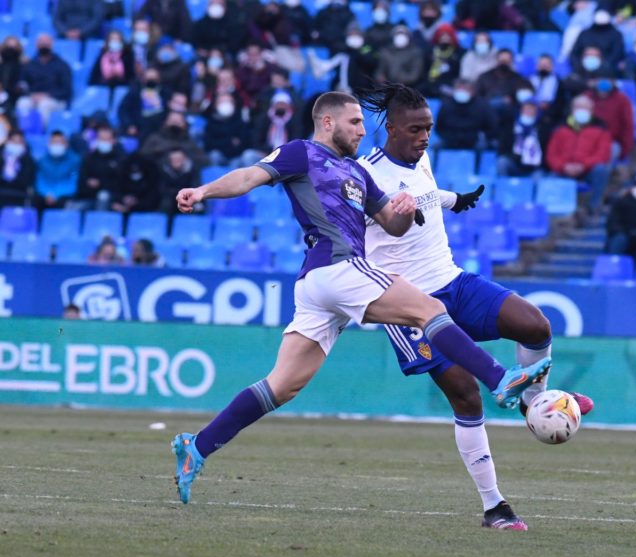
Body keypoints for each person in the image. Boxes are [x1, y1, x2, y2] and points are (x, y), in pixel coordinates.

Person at [171, 91, 552, 511]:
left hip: (320, 288)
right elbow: (248, 176)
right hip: (336, 267)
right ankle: (501, 380)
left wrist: (405, 210)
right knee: (430, 310)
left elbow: (393, 223)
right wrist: (203, 191)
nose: (360, 130)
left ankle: (198, 446)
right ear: (328, 122)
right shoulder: (302, 153)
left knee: (283, 386)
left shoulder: (357, 173)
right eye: (354, 122)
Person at [356, 83, 594, 530]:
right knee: (466, 395)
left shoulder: (420, 158)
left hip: (453, 281)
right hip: (408, 304)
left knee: (535, 325)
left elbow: (424, 192)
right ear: (390, 128)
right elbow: (361, 225)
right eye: (415, 129)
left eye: (428, 128)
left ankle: (533, 400)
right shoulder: (366, 176)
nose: (425, 136)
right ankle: (494, 507)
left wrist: (454, 199)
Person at [545, 95, 612, 212]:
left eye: (585, 108)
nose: (581, 111)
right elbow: (551, 155)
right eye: (578, 108)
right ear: (572, 110)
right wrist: (563, 166)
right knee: (549, 178)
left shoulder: (600, 128)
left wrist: (583, 165)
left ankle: (594, 207)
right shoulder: (561, 128)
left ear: (591, 111)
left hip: (587, 170)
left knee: (601, 170)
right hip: (564, 170)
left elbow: (603, 154)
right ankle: (554, 211)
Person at [35, 130, 81, 209]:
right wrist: (47, 194)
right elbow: (40, 180)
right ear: (49, 144)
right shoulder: (42, 161)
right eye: (54, 142)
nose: (57, 145)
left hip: (65, 195)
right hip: (45, 195)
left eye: (60, 142)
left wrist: (56, 194)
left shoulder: (75, 160)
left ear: (66, 144)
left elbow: (74, 181)